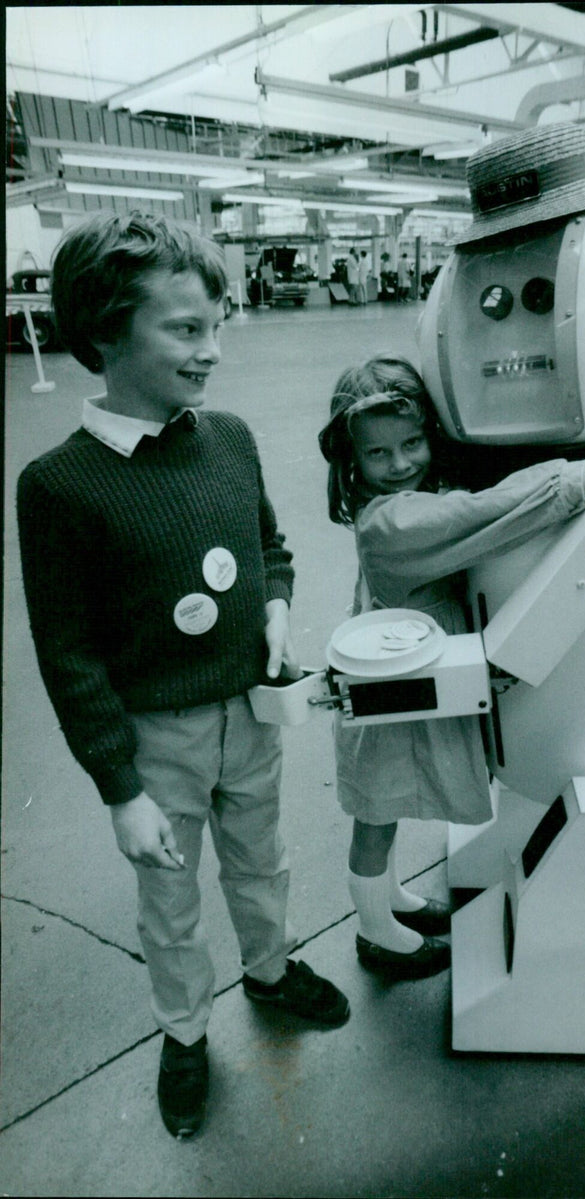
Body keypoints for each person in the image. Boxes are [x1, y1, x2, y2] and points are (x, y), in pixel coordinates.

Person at [16, 211, 350, 1141]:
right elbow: (68, 654)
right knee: (169, 895)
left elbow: (271, 547)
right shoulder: (58, 486)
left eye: (218, 325)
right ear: (103, 332)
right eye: (185, 329)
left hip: (253, 709)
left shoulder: (231, 438)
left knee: (263, 854)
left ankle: (272, 969)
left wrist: (276, 606)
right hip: (154, 736)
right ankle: (186, 1029)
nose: (211, 352)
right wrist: (119, 788)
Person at [319, 354, 585, 980]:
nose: (400, 464)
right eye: (379, 454)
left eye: (412, 442)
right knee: (376, 812)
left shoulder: (407, 500)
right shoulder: (392, 522)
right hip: (393, 696)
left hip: (407, 683)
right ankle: (376, 933)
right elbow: (483, 515)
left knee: (385, 807)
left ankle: (391, 901)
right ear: (351, 462)